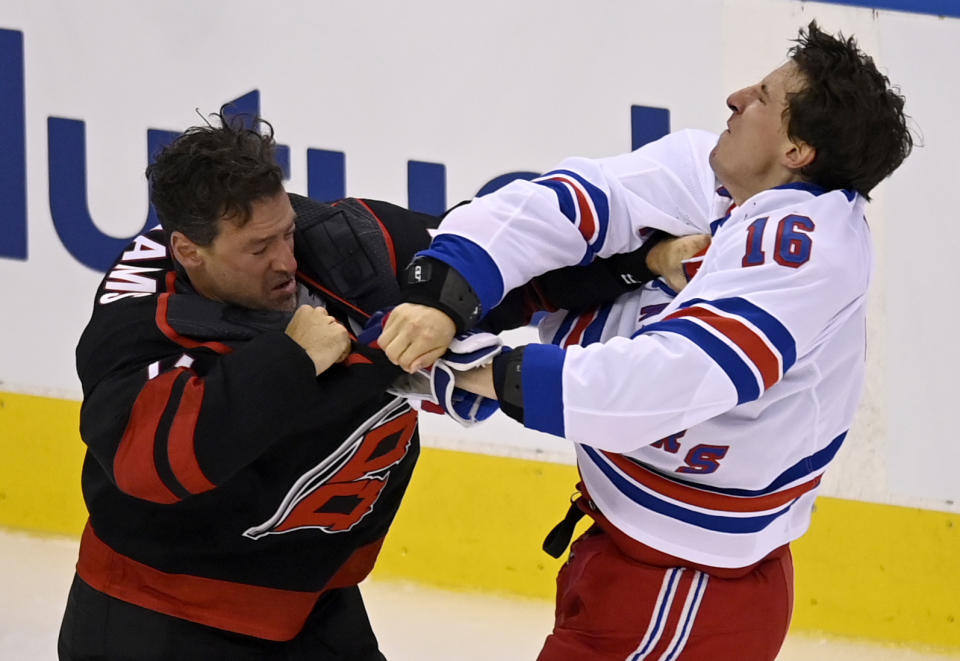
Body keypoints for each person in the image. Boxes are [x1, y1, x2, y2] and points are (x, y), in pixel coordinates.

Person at [58, 110, 701, 660]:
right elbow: (152, 463)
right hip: (158, 616)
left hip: (313, 603)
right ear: (190, 252)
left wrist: (641, 262)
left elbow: (497, 272)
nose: (286, 260)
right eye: (259, 249)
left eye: (285, 231)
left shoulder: (346, 243)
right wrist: (290, 359)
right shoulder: (138, 322)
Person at [375, 22, 912, 661]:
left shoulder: (807, 250)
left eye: (765, 97)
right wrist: (441, 294)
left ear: (797, 149)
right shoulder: (715, 172)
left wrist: (471, 372)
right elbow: (564, 205)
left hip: (686, 587)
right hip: (636, 551)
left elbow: (667, 382)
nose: (737, 97)